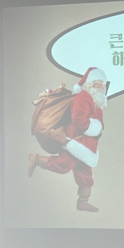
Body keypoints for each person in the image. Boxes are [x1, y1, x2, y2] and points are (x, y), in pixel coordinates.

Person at [28, 67, 107, 212]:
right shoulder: (83, 97)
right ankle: (37, 159)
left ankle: (83, 202)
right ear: (90, 84)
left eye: (102, 84)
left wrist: (97, 129)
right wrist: (93, 127)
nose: (100, 86)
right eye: (97, 83)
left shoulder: (96, 100)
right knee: (64, 164)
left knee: (84, 171)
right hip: (78, 140)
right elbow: (78, 118)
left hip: (88, 143)